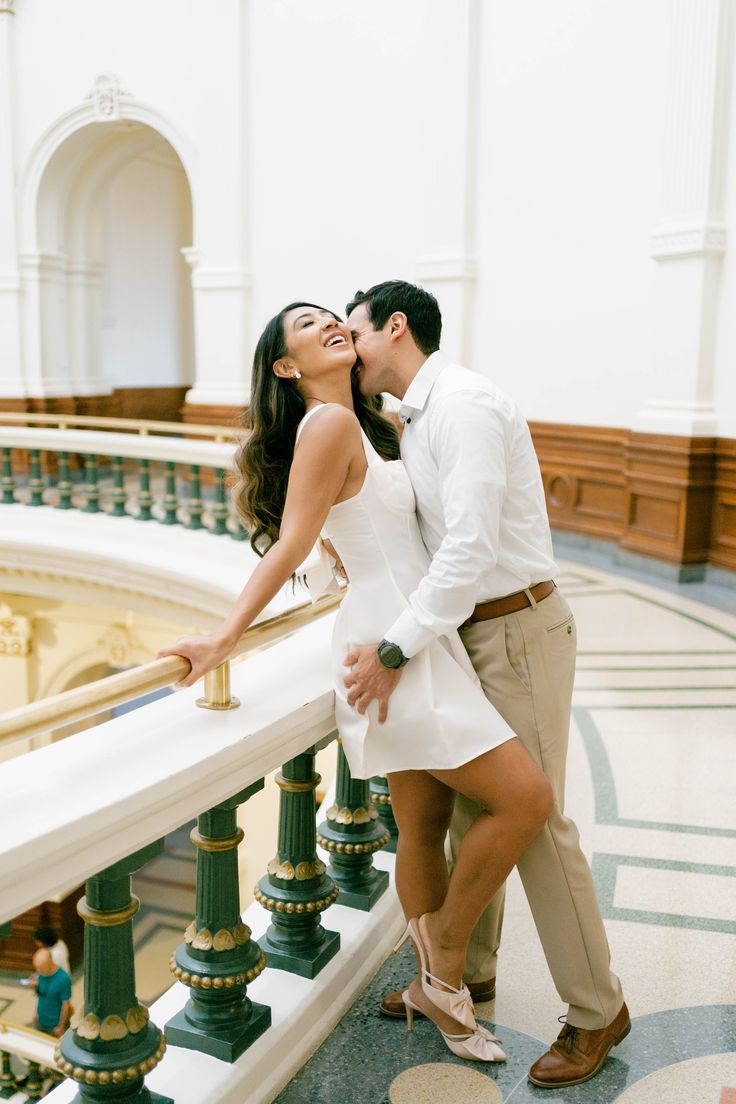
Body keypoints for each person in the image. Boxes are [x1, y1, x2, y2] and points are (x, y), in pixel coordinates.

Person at [159, 300, 553, 1063]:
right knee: (524, 799)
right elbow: (292, 543)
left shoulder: (365, 424)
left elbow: (367, 527)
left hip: (412, 633)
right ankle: (442, 958)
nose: (331, 324)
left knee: (425, 821)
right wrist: (222, 637)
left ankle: (429, 986)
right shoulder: (328, 425)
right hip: (388, 648)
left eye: (334, 316)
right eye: (307, 326)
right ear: (286, 367)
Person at [343, 279, 629, 1088]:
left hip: (517, 627)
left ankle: (597, 1009)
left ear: (394, 327)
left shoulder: (463, 404)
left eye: (353, 331)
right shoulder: (418, 416)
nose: (349, 346)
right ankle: (461, 975)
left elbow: (468, 550)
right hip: (471, 631)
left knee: (533, 818)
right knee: (477, 808)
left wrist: (394, 650)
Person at [29, 948, 71, 1038]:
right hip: (40, 1020)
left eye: (40, 968)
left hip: (54, 1025)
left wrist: (61, 1026)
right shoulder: (41, 974)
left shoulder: (63, 979)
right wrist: (36, 1012)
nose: (38, 971)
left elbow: (66, 1005)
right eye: (37, 968)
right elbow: (42, 995)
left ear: (50, 962)